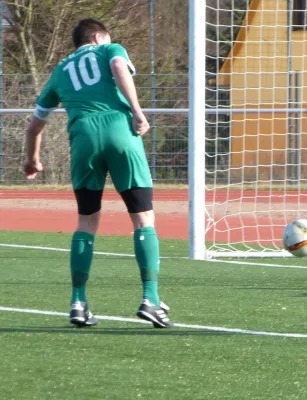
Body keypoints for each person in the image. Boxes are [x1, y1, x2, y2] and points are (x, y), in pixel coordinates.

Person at [23, 18, 173, 328]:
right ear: (97, 36)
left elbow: (36, 123)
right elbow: (119, 67)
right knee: (143, 218)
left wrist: (32, 159)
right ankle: (151, 299)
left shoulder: (60, 70)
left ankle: (78, 302)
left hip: (83, 140)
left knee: (87, 221)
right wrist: (137, 110)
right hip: (120, 133)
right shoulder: (109, 49)